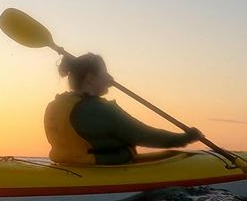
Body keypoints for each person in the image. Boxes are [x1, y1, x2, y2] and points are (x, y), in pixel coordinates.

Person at [44, 52, 201, 164]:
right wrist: (186, 138)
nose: (110, 77)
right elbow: (145, 136)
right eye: (105, 73)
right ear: (91, 78)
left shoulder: (55, 105)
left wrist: (103, 79)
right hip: (104, 169)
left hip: (68, 165)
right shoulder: (100, 110)